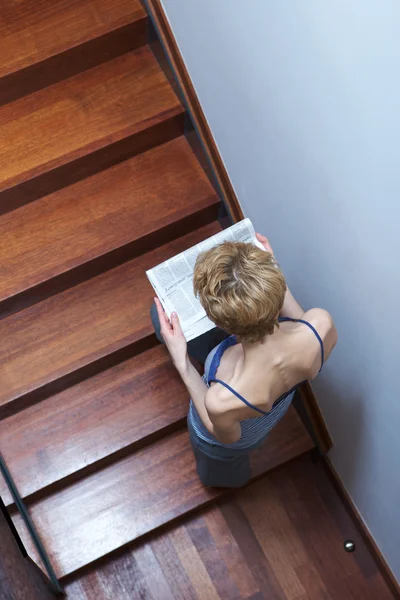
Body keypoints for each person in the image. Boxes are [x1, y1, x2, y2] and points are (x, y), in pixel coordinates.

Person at [151, 233, 337, 488]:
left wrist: (182, 363)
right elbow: (299, 322)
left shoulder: (221, 399)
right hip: (271, 408)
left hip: (236, 436)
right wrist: (270, 276)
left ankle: (226, 482)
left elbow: (228, 438)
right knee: (156, 314)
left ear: (217, 323)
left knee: (219, 467)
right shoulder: (320, 325)